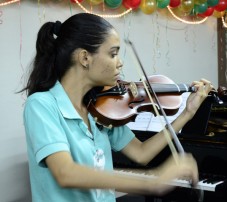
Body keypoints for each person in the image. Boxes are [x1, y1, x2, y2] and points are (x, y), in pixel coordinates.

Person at [21, 13, 214, 202]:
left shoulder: (100, 108)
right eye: (113, 54)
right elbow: (65, 173)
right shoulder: (41, 105)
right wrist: (152, 182)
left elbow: (141, 153)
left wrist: (187, 113)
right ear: (84, 58)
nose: (120, 63)